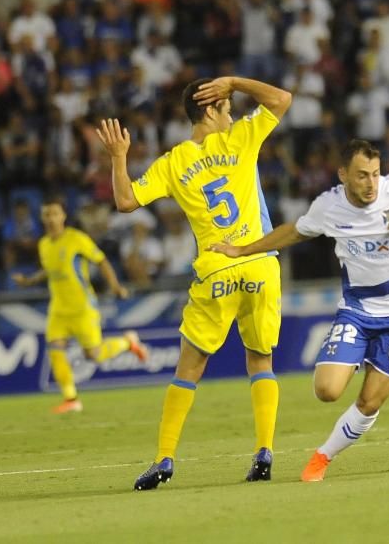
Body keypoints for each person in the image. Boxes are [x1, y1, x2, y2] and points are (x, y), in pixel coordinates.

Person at [211, 139, 389, 481]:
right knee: (327, 391)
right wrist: (242, 250)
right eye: (362, 176)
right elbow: (295, 232)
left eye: (375, 174)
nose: (371, 183)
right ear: (343, 174)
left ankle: (321, 458)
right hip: (358, 313)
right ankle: (355, 355)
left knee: (370, 402)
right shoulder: (329, 207)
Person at [96, 76, 292, 489]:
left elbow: (126, 201)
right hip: (259, 263)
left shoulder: (173, 162)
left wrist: (118, 156)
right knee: (260, 359)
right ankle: (264, 451)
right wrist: (235, 80)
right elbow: (282, 98)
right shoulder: (241, 138)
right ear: (211, 110)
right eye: (228, 106)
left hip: (217, 268)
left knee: (190, 365)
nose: (233, 113)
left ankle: (164, 459)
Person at [12, 199, 147, 414]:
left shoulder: (77, 239)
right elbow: (49, 269)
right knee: (55, 349)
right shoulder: (44, 244)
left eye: (54, 213)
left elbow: (101, 261)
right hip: (58, 309)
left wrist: (115, 287)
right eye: (46, 214)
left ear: (63, 216)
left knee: (93, 355)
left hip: (83, 307)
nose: (51, 218)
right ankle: (71, 398)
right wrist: (28, 281)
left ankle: (128, 342)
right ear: (42, 218)